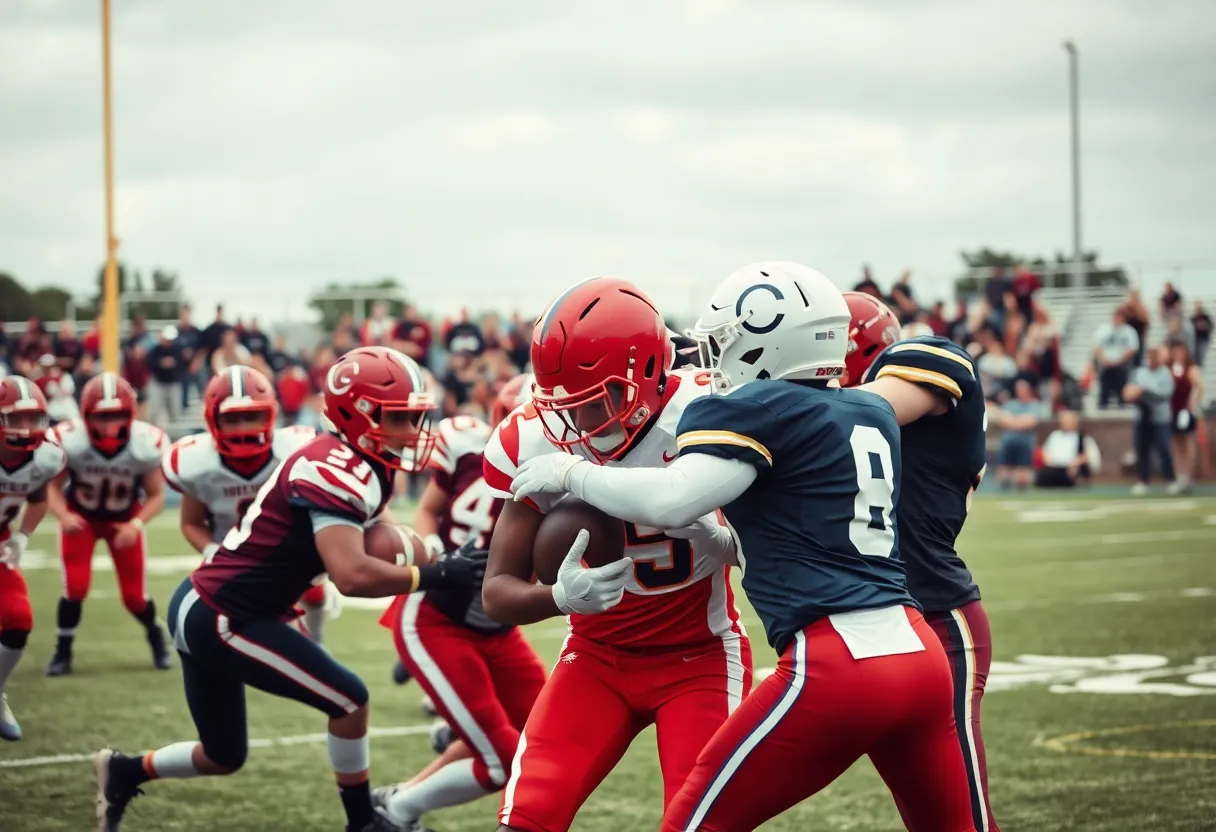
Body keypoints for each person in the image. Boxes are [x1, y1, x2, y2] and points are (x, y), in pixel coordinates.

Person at [512, 263, 975, 832]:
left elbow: (672, 499)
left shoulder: (761, 410)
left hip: (836, 662)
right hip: (918, 655)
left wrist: (570, 474)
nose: (712, 363)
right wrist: (727, 542)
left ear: (767, 346)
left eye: (723, 345)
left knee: (692, 825)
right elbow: (809, 531)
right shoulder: (869, 410)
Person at [92, 346, 487, 832]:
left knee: (223, 755)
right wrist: (436, 574)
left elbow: (370, 537)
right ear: (358, 415)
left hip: (217, 607)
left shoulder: (360, 460)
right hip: (223, 616)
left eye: (415, 418)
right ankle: (363, 821)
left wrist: (433, 553)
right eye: (401, 418)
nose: (414, 432)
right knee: (349, 699)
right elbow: (352, 574)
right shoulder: (332, 466)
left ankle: (123, 770)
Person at [480, 277, 749, 832]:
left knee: (699, 822)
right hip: (597, 656)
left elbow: (781, 542)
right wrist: (556, 598)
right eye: (565, 404)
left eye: (600, 397)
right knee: (526, 817)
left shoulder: (708, 410)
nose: (579, 422)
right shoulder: (537, 439)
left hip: (698, 655)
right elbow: (497, 593)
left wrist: (732, 544)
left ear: (652, 372)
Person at [844, 291, 1000, 830]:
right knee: (928, 815)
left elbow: (852, 412)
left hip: (939, 615)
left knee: (962, 814)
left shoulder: (931, 361)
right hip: (872, 629)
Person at [373, 377, 547, 831]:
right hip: (436, 618)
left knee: (544, 733)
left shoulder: (567, 473)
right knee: (503, 760)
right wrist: (437, 551)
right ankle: (397, 813)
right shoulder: (470, 453)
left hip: (496, 626)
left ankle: (403, 792)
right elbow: (428, 509)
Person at [162, 366, 338, 642]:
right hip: (227, 553)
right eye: (233, 419)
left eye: (252, 416)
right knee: (208, 608)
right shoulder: (197, 463)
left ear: (271, 413)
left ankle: (315, 639)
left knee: (313, 591)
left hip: (282, 549)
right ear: (212, 419)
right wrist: (212, 551)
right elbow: (191, 523)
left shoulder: (294, 450)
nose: (244, 428)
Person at [44, 373, 171, 676]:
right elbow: (49, 488)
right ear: (86, 416)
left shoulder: (145, 443)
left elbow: (156, 496)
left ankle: (157, 638)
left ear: (131, 414)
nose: (109, 425)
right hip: (82, 518)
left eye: (117, 415)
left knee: (134, 597)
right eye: (102, 416)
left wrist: (136, 525)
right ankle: (62, 652)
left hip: (124, 520)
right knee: (75, 587)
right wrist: (63, 514)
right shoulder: (70, 441)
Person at [0, 377, 65, 741]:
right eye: (15, 419)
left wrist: (22, 536)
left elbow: (39, 498)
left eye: (33, 418)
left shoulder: (45, 456)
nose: (26, 430)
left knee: (19, 619)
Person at [1124, 344, 1179, 495]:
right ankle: (1143, 480)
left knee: (1164, 449)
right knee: (1142, 450)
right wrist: (1131, 393)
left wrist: (1145, 390)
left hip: (1160, 417)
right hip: (1142, 417)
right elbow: (1129, 390)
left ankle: (1170, 479)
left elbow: (1165, 394)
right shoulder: (1139, 372)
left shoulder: (1165, 374)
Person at [1168, 342, 1203, 492]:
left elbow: (1199, 388)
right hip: (1172, 411)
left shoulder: (1190, 369)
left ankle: (1189, 475)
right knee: (1176, 443)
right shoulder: (1170, 368)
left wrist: (1190, 406)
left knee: (1188, 443)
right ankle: (1180, 475)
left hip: (1185, 411)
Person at [1036, 409, 1101, 487]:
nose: (1066, 423)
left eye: (1069, 421)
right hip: (1055, 468)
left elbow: (1088, 456)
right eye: (1064, 421)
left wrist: (1075, 464)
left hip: (1071, 469)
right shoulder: (1055, 436)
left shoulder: (1083, 438)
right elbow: (1046, 453)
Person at [1092, 309, 1140, 408]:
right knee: (1104, 385)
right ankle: (1103, 404)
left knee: (1121, 384)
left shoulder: (1129, 331)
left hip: (1122, 365)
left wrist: (1119, 360)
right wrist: (1104, 360)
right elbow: (1096, 347)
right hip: (1106, 365)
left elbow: (1132, 348)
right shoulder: (1103, 329)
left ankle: (1122, 402)